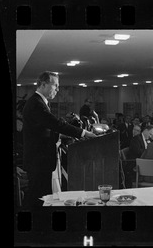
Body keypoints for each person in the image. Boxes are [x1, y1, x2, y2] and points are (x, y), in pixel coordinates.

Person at [22, 71, 97, 208]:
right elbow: (55, 124)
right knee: (37, 198)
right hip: (38, 160)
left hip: (39, 160)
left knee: (40, 197)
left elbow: (41, 130)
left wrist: (60, 136)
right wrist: (83, 132)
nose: (57, 89)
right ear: (43, 84)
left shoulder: (39, 102)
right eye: (55, 85)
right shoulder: (36, 103)